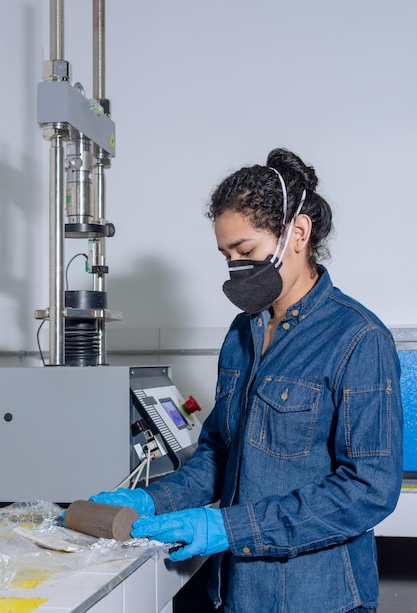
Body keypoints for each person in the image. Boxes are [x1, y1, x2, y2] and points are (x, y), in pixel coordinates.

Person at [90, 148, 403, 613]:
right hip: (235, 591)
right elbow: (220, 451)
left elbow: (368, 490)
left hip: (317, 597)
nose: (236, 266)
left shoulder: (358, 338)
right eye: (226, 255)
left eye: (247, 251)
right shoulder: (243, 333)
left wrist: (226, 528)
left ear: (297, 234)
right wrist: (151, 500)